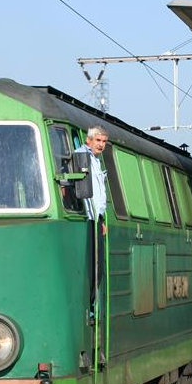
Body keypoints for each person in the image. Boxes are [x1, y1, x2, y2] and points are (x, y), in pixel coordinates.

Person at [75, 126, 109, 323]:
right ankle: (88, 307)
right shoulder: (82, 157)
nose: (101, 145)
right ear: (88, 140)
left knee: (99, 267)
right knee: (91, 265)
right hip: (87, 217)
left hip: (96, 218)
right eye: (98, 140)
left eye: (104, 141)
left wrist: (102, 219)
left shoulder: (95, 160)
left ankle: (92, 305)